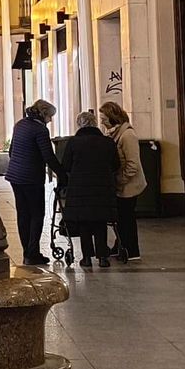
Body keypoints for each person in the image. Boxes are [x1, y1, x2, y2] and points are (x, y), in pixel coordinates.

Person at [6, 100, 65, 265]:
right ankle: (33, 253)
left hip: (15, 176)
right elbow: (48, 156)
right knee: (37, 214)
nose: (50, 120)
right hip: (31, 178)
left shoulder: (20, 124)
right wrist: (62, 174)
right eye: (50, 116)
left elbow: (12, 151)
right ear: (43, 113)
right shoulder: (40, 130)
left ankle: (27, 251)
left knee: (23, 214)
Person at [61, 112, 119, 268]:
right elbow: (116, 165)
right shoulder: (107, 142)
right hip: (102, 188)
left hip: (79, 190)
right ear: (95, 124)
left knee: (84, 223)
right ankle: (103, 258)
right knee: (100, 221)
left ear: (80, 124)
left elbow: (65, 165)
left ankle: (86, 257)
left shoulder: (73, 143)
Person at [100, 101, 146, 261]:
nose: (102, 122)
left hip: (129, 185)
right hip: (121, 184)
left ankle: (131, 250)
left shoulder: (128, 135)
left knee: (127, 218)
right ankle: (120, 245)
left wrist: (121, 180)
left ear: (112, 117)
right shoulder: (113, 134)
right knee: (120, 217)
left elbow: (133, 164)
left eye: (104, 118)